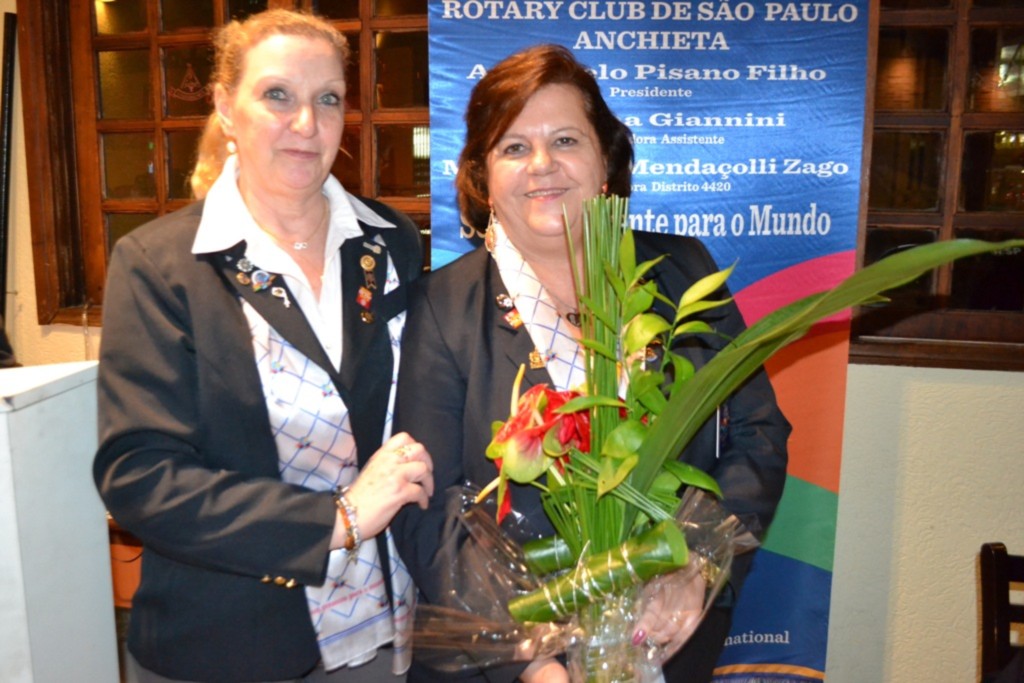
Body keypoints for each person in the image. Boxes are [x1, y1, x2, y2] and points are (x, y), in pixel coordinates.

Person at [392, 44, 790, 683]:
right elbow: (430, 507)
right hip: (510, 661)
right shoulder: (443, 307)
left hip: (670, 645)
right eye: (514, 147)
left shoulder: (683, 270)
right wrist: (532, 656)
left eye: (566, 140)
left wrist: (697, 564)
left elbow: (757, 434)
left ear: (606, 159)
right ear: (482, 177)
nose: (542, 164)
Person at [94, 10, 433, 683]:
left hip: (387, 627)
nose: (306, 123)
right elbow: (141, 477)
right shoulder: (160, 265)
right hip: (231, 642)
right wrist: (337, 518)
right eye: (278, 95)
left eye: (327, 99)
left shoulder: (391, 240)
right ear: (226, 107)